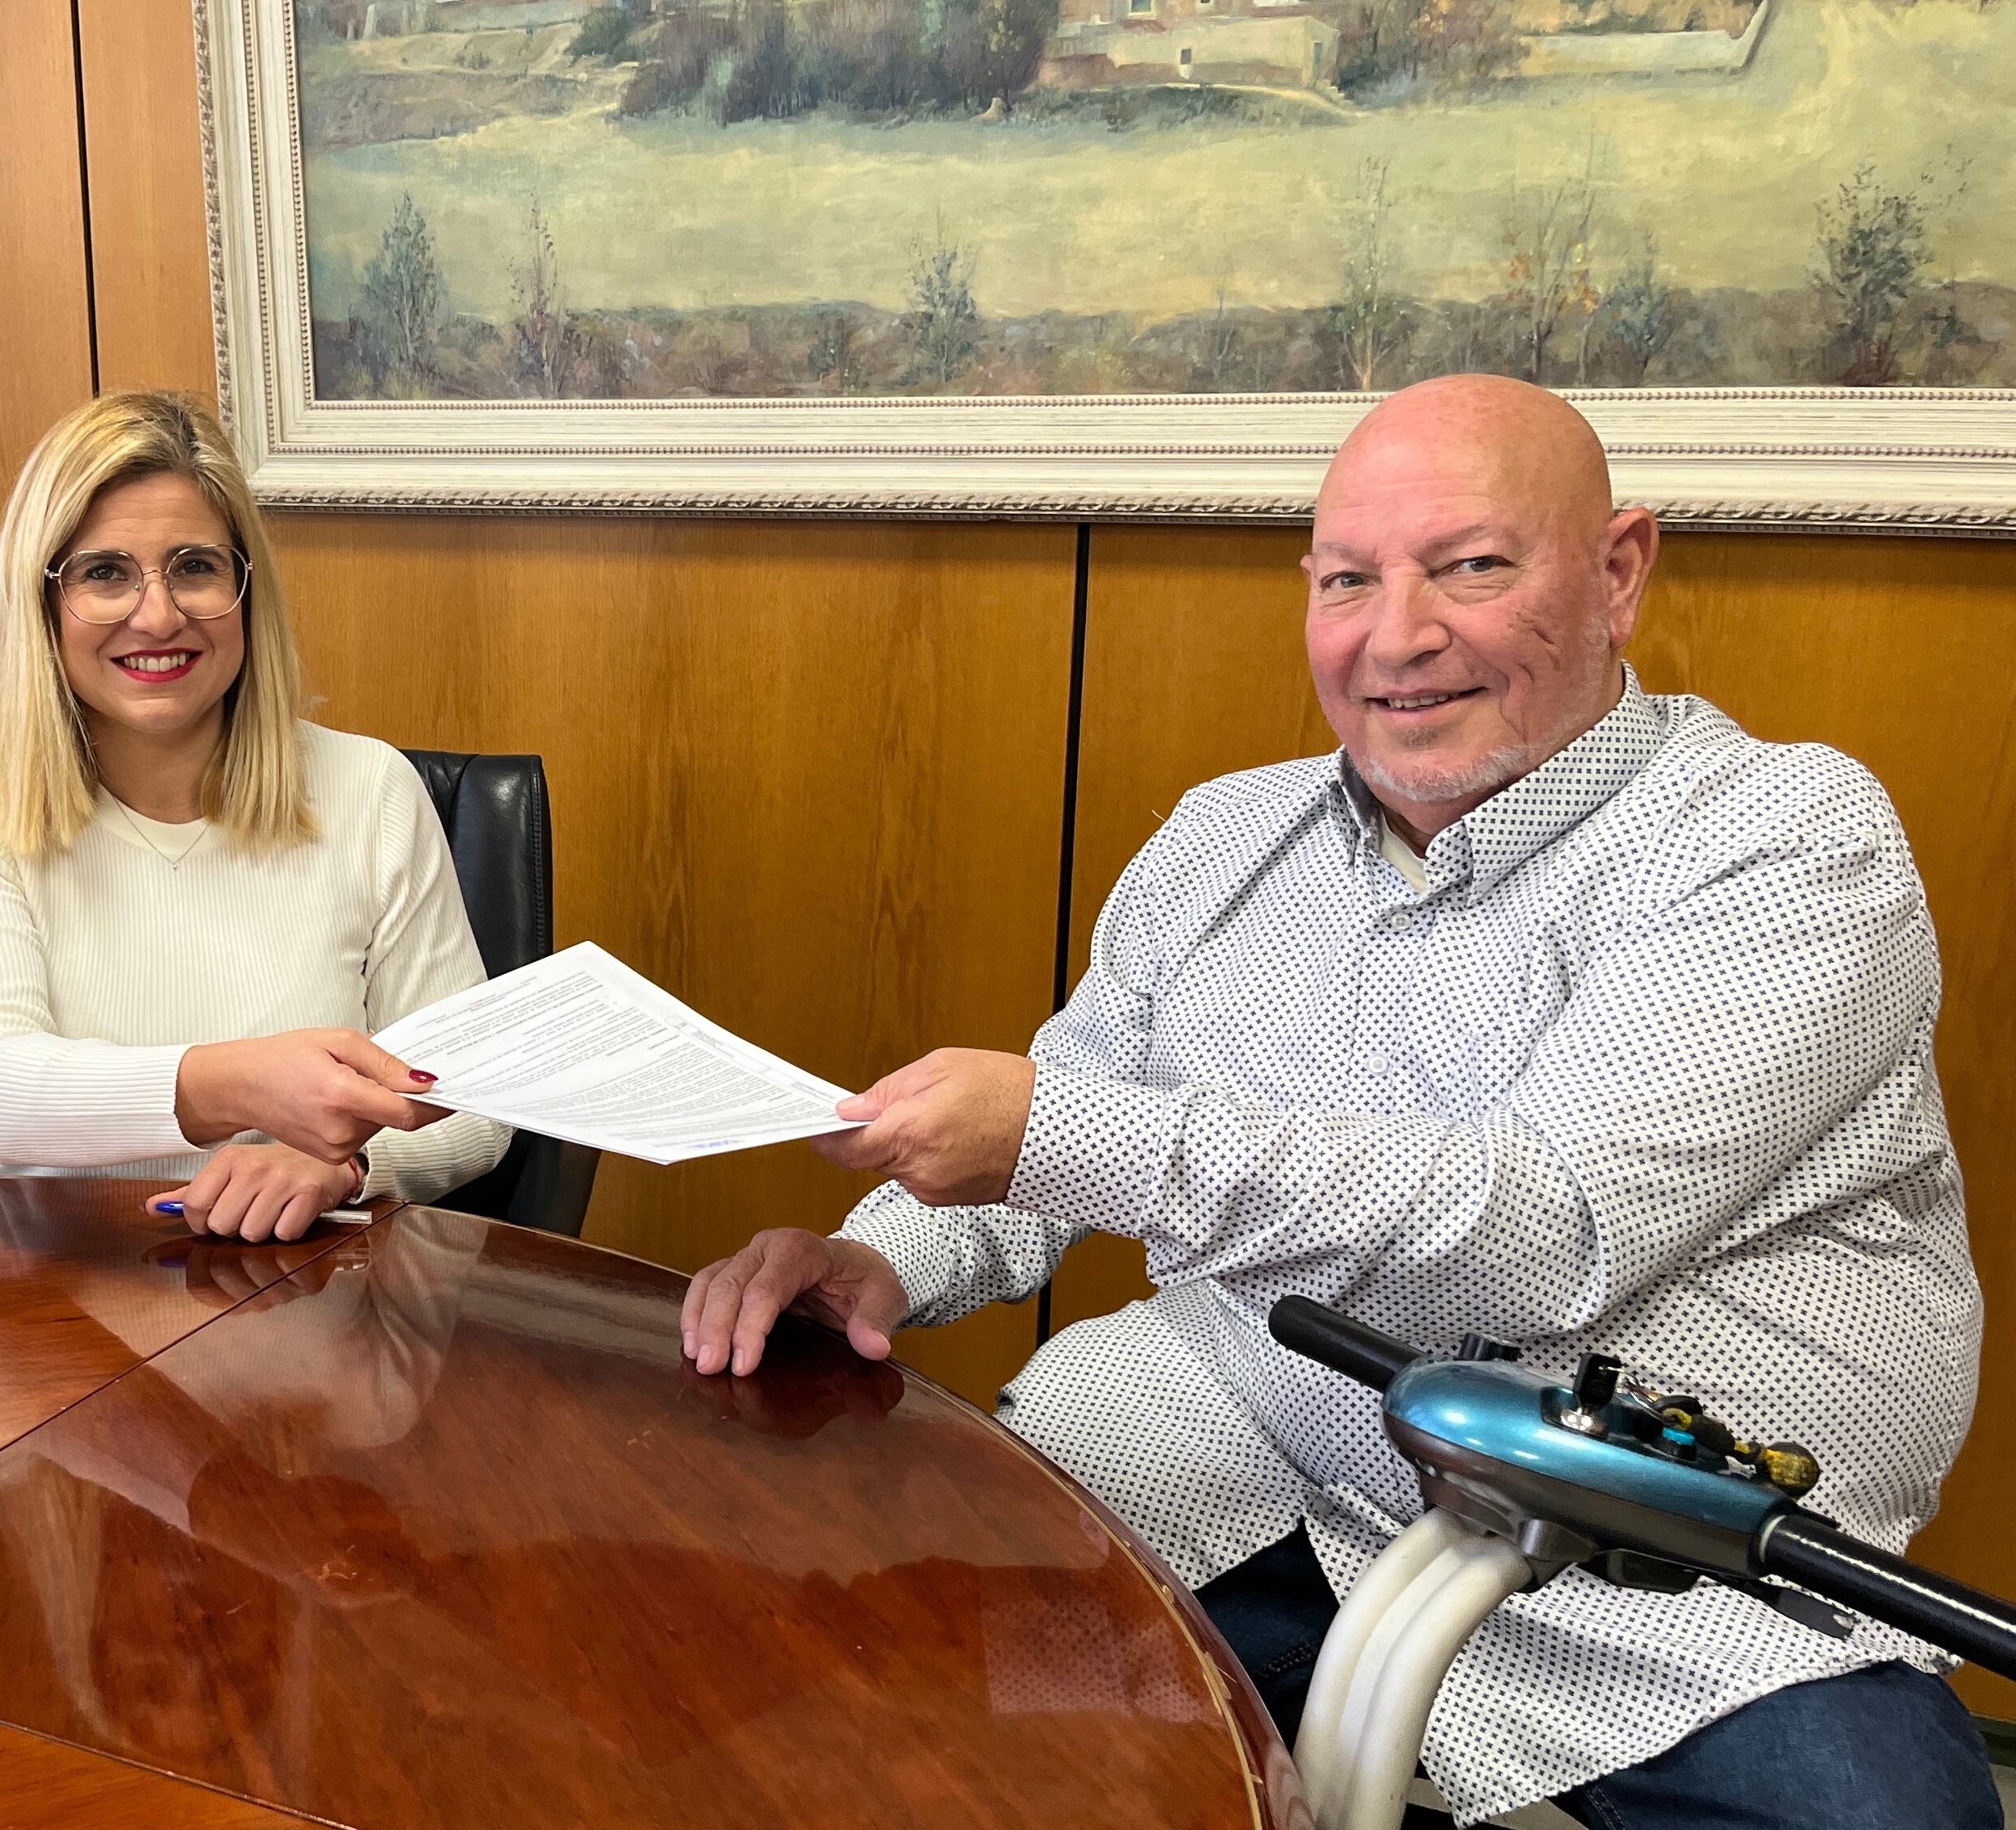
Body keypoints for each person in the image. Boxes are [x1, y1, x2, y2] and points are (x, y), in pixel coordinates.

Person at [680, 377, 1993, 1829]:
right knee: (895, 1730)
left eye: (1471, 566)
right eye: (1346, 580)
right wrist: (880, 1260)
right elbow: (1070, 1118)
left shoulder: (1784, 836)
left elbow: (1539, 1228)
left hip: (1658, 1575)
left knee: (1888, 1817)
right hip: (1239, 1461)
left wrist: (1057, 1131)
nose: (1396, 637)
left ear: (1619, 569)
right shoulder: (1222, 836)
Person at [0, 391, 508, 1241]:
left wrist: (348, 1166)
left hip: (312, 1290)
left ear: (245, 591)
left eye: (194, 567)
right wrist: (240, 1086)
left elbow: (472, 1099)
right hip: (63, 1297)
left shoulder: (370, 789)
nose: (158, 614)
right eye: (104, 573)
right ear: (41, 604)